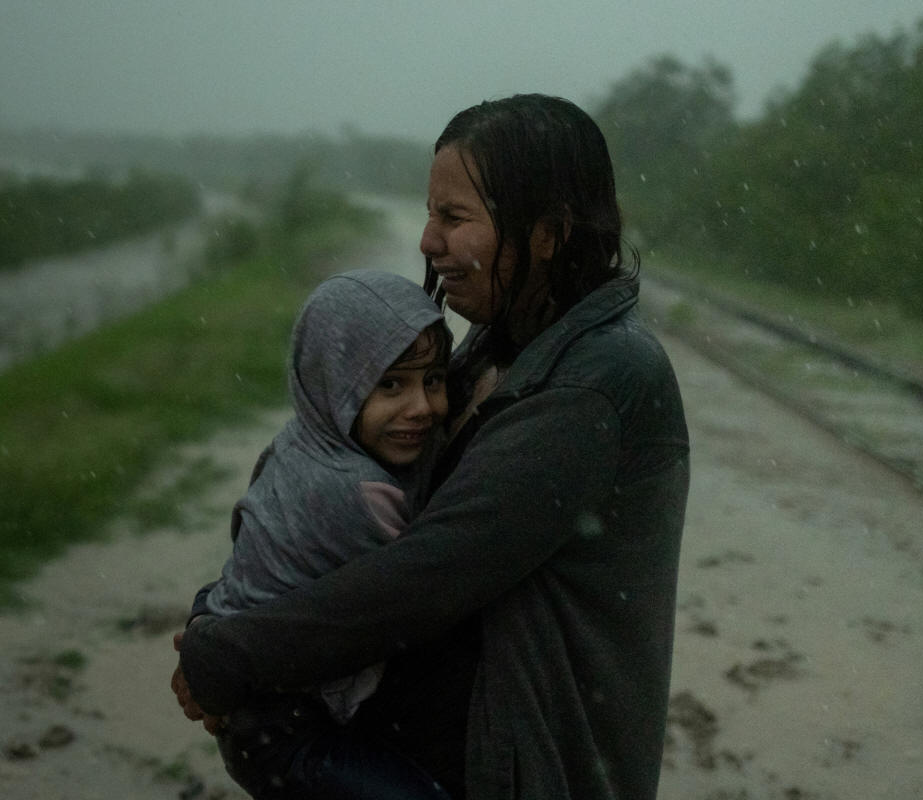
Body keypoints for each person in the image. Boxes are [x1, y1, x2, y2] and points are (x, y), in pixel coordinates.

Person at [173, 93, 691, 800]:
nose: (426, 241)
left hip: (518, 768)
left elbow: (432, 570)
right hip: (420, 749)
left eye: (453, 217)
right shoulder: (499, 344)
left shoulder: (595, 381)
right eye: (429, 213)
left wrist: (235, 653)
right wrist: (224, 609)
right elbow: (340, 513)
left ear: (547, 234)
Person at [195, 268, 454, 799]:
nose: (422, 408)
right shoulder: (355, 492)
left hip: (255, 716)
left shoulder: (299, 440)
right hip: (288, 734)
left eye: (433, 380)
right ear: (333, 384)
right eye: (390, 384)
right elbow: (428, 592)